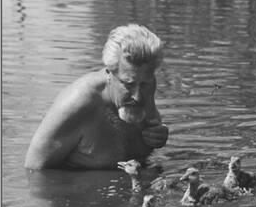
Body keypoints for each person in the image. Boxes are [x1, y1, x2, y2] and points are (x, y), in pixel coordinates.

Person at [24, 24, 168, 170]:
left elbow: (144, 140)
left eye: (145, 84)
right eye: (128, 85)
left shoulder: (144, 84)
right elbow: (33, 172)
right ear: (109, 73)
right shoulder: (77, 103)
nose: (138, 97)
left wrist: (158, 136)